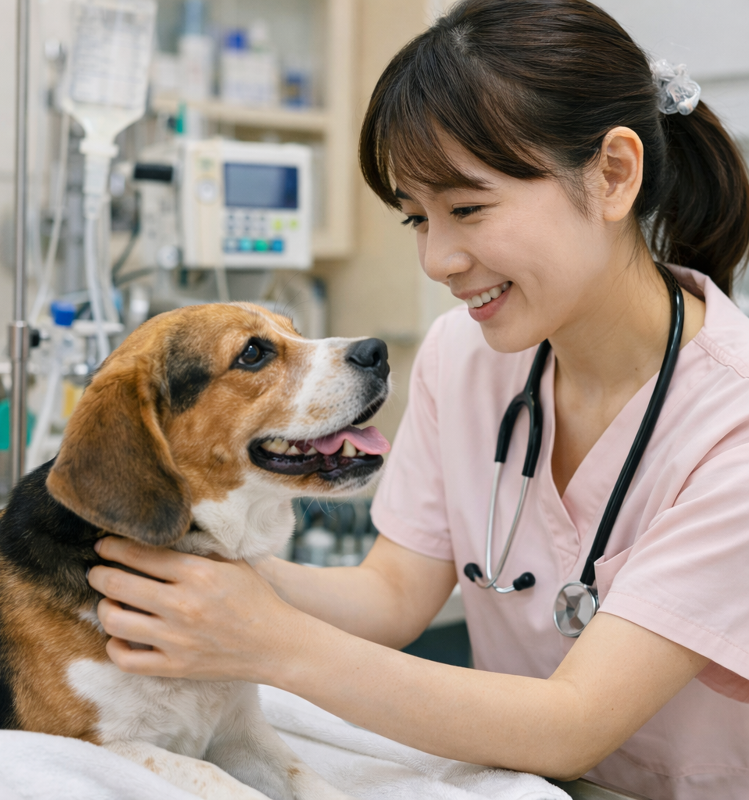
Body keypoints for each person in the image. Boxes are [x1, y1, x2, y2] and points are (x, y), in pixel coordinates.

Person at [87, 1, 749, 797]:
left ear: (612, 175)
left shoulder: (732, 421)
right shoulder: (464, 358)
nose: (438, 258)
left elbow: (578, 719)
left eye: (467, 209)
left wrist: (270, 642)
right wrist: (200, 567)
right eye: (416, 218)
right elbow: (392, 596)